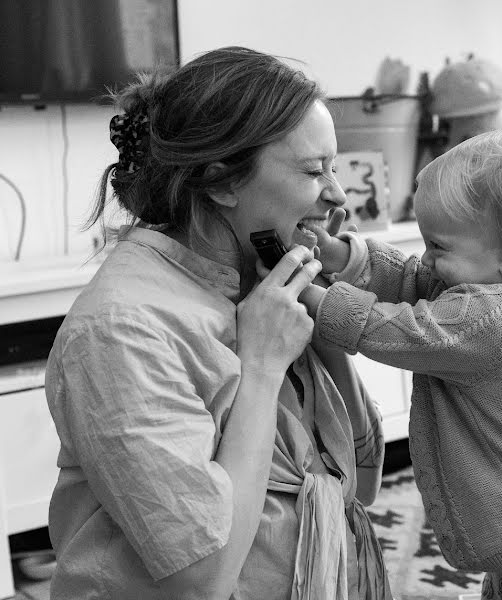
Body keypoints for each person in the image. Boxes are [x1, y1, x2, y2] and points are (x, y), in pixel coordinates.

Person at [44, 46, 392, 600]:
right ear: (220, 181)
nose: (337, 195)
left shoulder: (258, 285)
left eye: (333, 166)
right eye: (311, 171)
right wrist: (261, 367)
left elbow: (361, 483)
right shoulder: (121, 330)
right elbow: (201, 577)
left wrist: (321, 322)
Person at [299, 128, 502, 599]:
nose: (426, 259)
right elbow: (414, 279)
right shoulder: (488, 290)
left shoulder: (491, 321)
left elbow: (401, 329)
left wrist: (314, 295)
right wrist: (344, 256)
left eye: (439, 247)